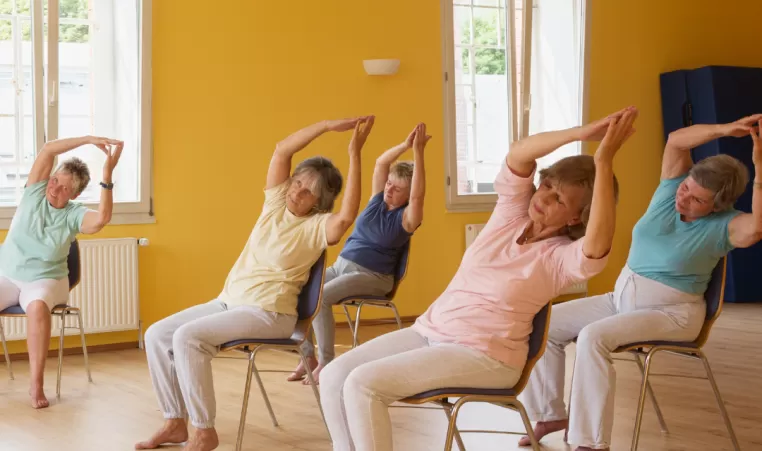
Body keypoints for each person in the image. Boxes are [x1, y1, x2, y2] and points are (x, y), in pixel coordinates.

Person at [319, 107, 638, 451]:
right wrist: (582, 133)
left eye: (559, 198)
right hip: (430, 330)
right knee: (334, 376)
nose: (543, 197)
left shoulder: (562, 258)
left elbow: (598, 242)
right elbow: (519, 153)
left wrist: (603, 161)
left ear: (578, 216)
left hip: (486, 356)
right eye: (546, 185)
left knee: (363, 385)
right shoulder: (511, 214)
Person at [518, 114, 762, 451]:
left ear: (717, 206)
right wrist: (724, 130)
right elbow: (677, 139)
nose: (684, 197)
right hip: (621, 301)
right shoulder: (668, 191)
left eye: (697, 199)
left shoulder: (728, 226)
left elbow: (758, 227)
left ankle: (589, 442)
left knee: (593, 337)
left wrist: (759, 168)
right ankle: (549, 413)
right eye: (687, 186)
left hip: (673, 314)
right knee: (543, 322)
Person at [135, 116, 374, 451]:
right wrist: (325, 126)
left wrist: (354, 153)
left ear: (319, 203)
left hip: (270, 313)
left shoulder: (319, 226)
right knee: (157, 334)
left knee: (188, 337)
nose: (297, 191)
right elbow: (282, 150)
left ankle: (204, 431)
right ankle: (175, 422)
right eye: (297, 182)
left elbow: (347, 217)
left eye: (308, 192)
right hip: (230, 301)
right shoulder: (275, 203)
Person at [288, 122, 430, 386]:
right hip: (343, 266)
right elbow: (380, 164)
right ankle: (308, 357)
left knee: (323, 298)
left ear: (409, 196)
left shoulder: (408, 218)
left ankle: (327, 361)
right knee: (298, 286)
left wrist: (419, 153)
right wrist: (406, 146)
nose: (388, 189)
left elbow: (420, 194)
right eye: (389, 184)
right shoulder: (377, 199)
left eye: (397, 189)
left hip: (373, 276)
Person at [0, 135, 124, 409]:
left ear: (75, 195)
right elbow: (48, 149)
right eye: (55, 180)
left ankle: (36, 386)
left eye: (64, 187)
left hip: (46, 279)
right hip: (8, 273)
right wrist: (89, 139)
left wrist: (107, 174)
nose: (54, 188)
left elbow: (102, 218)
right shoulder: (35, 190)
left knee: (36, 308)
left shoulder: (73, 215)